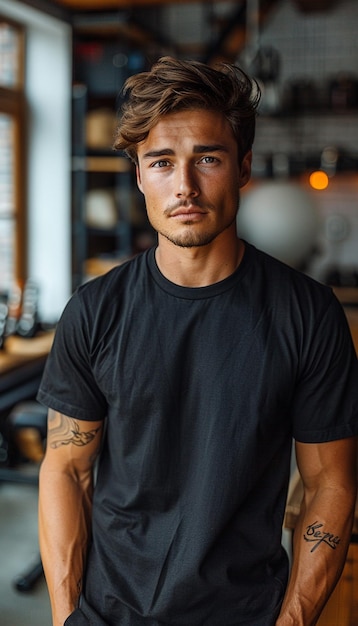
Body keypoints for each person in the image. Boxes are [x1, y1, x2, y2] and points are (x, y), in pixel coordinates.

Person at [38, 56, 358, 626]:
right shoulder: (93, 312)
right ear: (139, 175)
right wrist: (66, 618)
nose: (183, 186)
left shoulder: (308, 314)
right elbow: (66, 470)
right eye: (161, 162)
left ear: (242, 167)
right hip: (109, 616)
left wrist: (294, 620)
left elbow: (330, 482)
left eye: (206, 158)